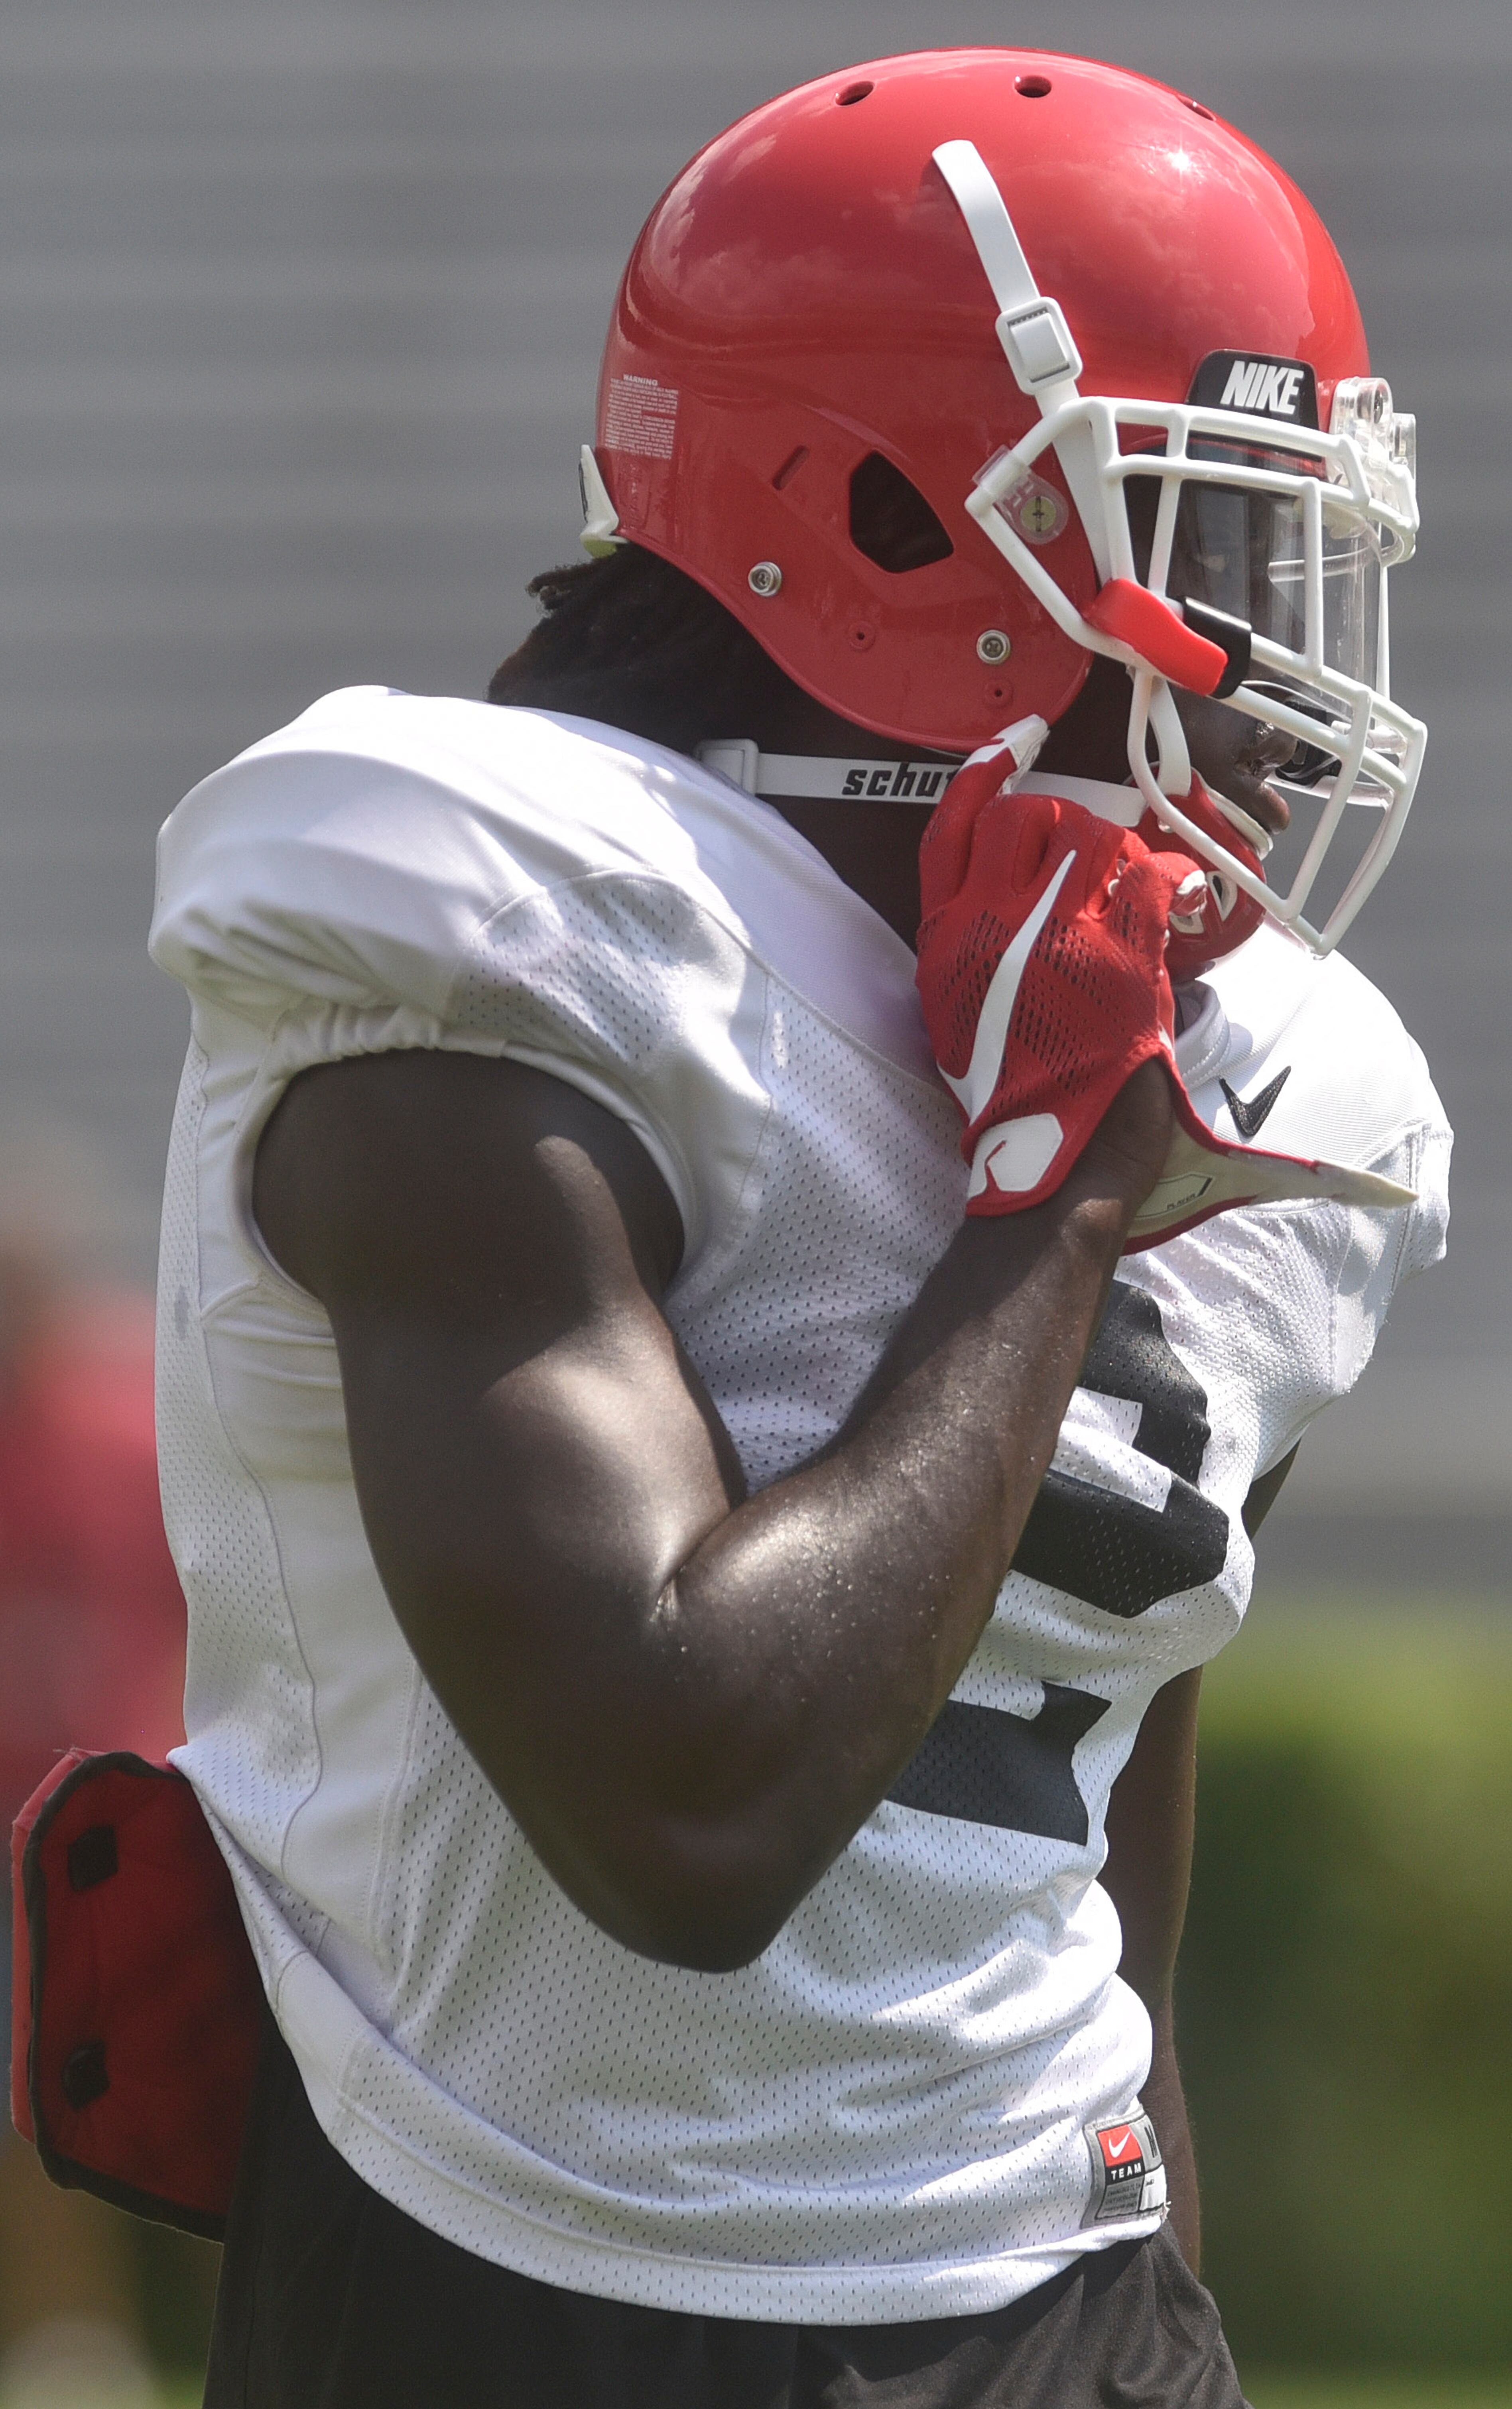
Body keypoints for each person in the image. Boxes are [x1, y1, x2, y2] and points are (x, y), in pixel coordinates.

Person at [147, 51, 1449, 2407]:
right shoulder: (497, 925)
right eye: (1190, 548)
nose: (1269, 673)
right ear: (884, 520)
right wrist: (1047, 1205)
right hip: (533, 2289)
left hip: (1076, 2293)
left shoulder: (1258, 1040)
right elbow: (689, 1808)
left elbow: (1103, 1689)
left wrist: (1168, 2263)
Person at [0, 1138, 186, 2408]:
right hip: (5, 1839)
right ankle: (71, 2346)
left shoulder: (128, 1413)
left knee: (215, 2082)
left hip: (145, 1815)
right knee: (26, 2106)